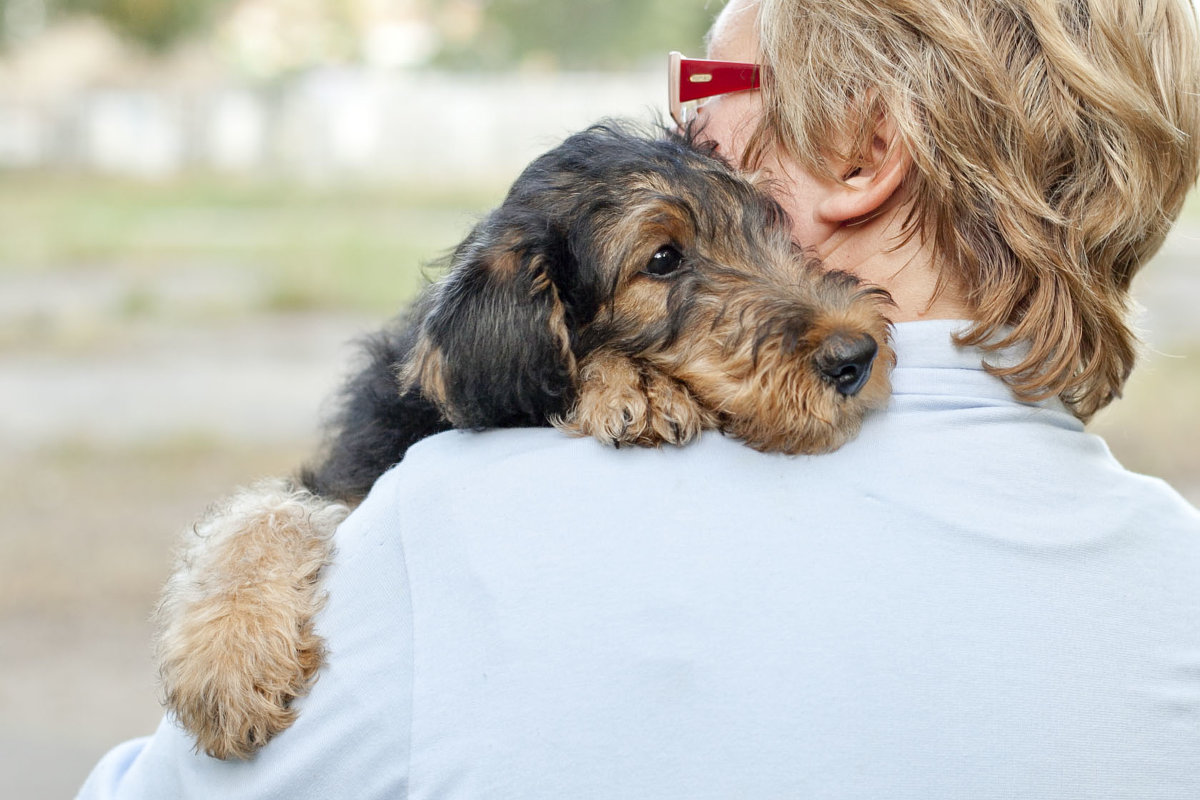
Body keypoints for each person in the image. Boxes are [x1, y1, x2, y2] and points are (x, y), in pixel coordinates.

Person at [80, 1, 1200, 797]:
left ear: (863, 147)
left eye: (707, 88)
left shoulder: (463, 531)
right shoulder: (1176, 590)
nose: (685, 124)